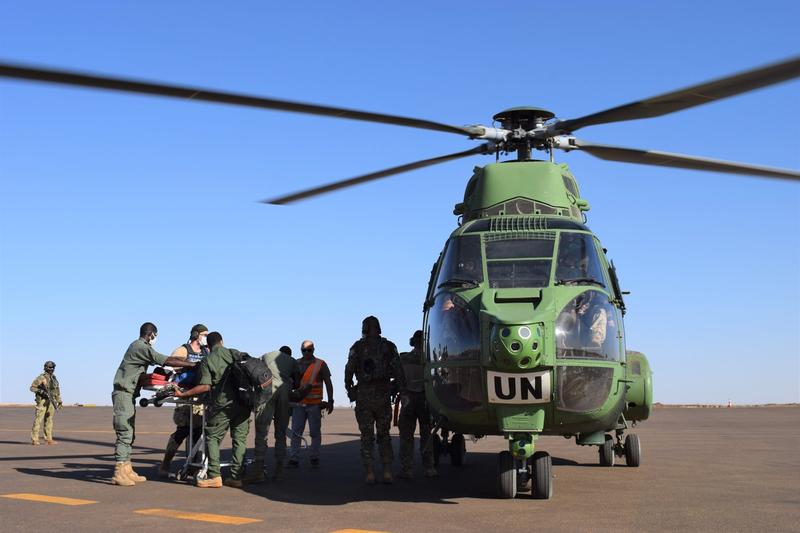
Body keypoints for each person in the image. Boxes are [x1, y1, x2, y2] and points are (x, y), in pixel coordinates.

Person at [111, 322, 196, 486]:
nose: (154, 339)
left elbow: (140, 374)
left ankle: (127, 468)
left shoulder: (138, 348)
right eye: (155, 336)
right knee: (124, 432)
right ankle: (119, 471)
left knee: (130, 432)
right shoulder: (140, 347)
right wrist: (192, 364)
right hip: (123, 394)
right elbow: (165, 360)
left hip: (128, 395)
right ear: (151, 334)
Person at [173, 331, 250, 488]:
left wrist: (184, 394)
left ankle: (215, 475)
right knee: (240, 439)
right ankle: (236, 476)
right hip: (244, 403)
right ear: (221, 341)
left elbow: (205, 386)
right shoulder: (234, 353)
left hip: (223, 405)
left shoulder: (208, 360)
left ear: (208, 346)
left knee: (212, 436)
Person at [344, 316, 404, 484]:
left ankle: (370, 472)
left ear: (364, 329)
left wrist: (350, 390)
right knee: (384, 435)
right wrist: (401, 391)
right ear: (379, 328)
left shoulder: (357, 347)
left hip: (364, 396)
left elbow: (348, 370)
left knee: (367, 436)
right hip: (383, 395)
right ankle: (387, 472)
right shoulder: (389, 347)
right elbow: (399, 372)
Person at [158, 324, 210, 478]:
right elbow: (171, 363)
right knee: (183, 430)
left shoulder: (206, 351)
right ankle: (166, 463)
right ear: (196, 334)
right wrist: (190, 365)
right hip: (184, 393)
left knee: (198, 431)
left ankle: (192, 464)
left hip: (199, 394)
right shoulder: (183, 349)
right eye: (204, 334)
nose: (205, 337)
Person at [250, 345, 302, 482]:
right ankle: (279, 471)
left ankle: (258, 471)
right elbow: (297, 383)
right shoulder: (292, 361)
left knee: (262, 432)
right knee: (281, 433)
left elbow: (256, 370)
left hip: (266, 392)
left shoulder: (266, 355)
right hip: (283, 393)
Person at [397, 330, 437, 479]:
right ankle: (429, 468)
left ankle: (407, 469)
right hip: (426, 400)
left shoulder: (404, 358)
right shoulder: (432, 359)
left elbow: (398, 379)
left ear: (412, 342)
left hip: (408, 400)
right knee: (427, 435)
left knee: (406, 436)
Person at [288, 340, 334, 468]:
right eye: (304, 350)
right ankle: (294, 458)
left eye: (309, 350)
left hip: (314, 405)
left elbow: (328, 383)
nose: (307, 353)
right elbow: (289, 383)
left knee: (314, 433)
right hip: (299, 405)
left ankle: (314, 457)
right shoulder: (295, 363)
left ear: (313, 350)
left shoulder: (321, 364)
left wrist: (331, 401)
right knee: (296, 432)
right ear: (301, 350)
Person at [30, 360, 62, 445]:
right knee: (38, 419)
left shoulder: (54, 378)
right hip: (42, 401)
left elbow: (56, 390)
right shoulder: (41, 377)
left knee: (49, 420)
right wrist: (42, 392)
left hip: (51, 401)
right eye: (49, 367)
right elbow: (32, 388)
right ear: (45, 368)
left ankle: (48, 439)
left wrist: (59, 400)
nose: (51, 369)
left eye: (52, 367)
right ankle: (35, 439)